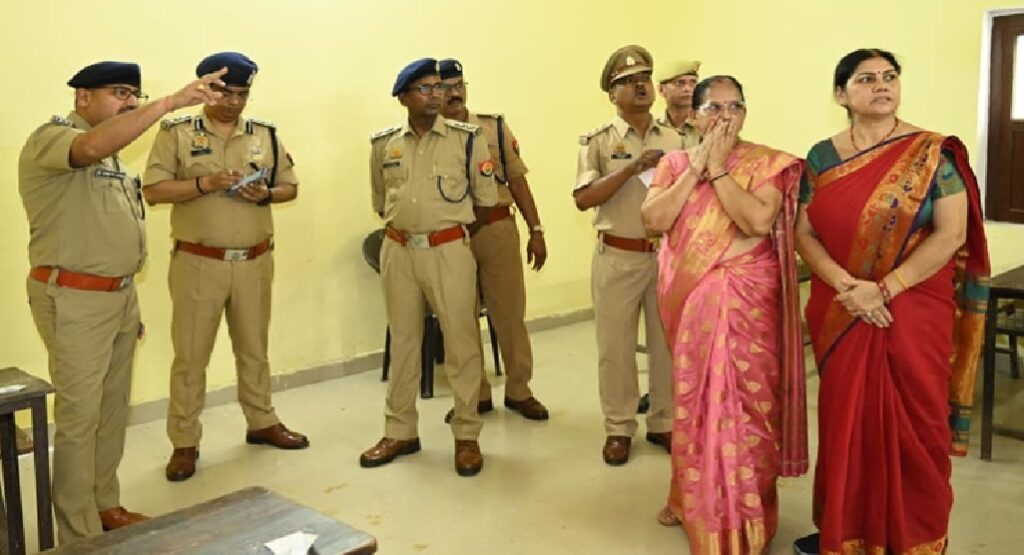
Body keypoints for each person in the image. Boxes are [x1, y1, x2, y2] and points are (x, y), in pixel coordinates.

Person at [19, 60, 225, 542]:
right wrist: (170, 103)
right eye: (119, 93)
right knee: (80, 418)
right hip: (73, 298)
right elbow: (89, 147)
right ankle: (78, 534)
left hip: (117, 298)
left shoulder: (113, 160)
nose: (130, 102)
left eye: (135, 94)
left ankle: (104, 505)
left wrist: (126, 299)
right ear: (83, 97)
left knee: (111, 412)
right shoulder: (54, 138)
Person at [793, 48, 990, 555]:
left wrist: (883, 289)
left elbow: (951, 234)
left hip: (911, 308)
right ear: (841, 94)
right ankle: (846, 531)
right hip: (841, 308)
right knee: (845, 422)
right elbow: (804, 232)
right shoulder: (821, 157)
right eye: (866, 79)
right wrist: (847, 286)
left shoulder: (934, 154)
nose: (882, 85)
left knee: (915, 422)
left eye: (890, 76)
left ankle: (914, 537)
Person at [641, 75, 808, 553]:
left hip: (749, 300)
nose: (726, 116)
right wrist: (697, 167)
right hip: (693, 299)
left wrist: (718, 171)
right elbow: (654, 220)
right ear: (693, 117)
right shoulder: (674, 164)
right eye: (713, 107)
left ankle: (748, 513)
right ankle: (691, 499)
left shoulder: (767, 163)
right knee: (697, 403)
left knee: (749, 405)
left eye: (735, 106)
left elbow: (757, 221)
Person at [144, 52, 309, 483]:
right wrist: (205, 183)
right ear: (205, 89)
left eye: (242, 94)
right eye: (225, 93)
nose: (234, 102)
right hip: (200, 263)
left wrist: (267, 194)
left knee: (254, 349)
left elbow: (290, 186)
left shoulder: (265, 134)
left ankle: (262, 421)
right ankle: (184, 441)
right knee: (191, 356)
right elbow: (154, 190)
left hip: (255, 261)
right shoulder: (176, 133)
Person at [361, 58, 499, 477]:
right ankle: (400, 431)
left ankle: (466, 435)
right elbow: (381, 200)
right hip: (398, 250)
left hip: (448, 249)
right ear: (404, 97)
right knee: (404, 342)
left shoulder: (468, 140)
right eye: (425, 88)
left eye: (439, 86)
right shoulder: (384, 145)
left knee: (461, 342)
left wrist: (444, 228)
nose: (436, 94)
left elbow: (485, 201)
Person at [573, 45, 682, 466]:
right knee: (615, 348)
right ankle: (618, 427)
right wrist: (632, 168)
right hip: (617, 256)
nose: (639, 86)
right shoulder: (597, 141)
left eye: (645, 79)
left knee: (665, 345)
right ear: (612, 94)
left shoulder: (675, 138)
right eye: (627, 81)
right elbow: (584, 198)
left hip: (665, 256)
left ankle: (663, 421)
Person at [437, 58, 549, 423]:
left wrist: (536, 230)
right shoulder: (430, 136)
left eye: (459, 85)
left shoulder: (493, 127)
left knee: (510, 314)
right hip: (453, 236)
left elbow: (517, 179)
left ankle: (519, 390)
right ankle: (475, 395)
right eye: (445, 87)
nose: (454, 93)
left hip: (497, 229)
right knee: (460, 319)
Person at [655, 60, 703, 147]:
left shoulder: (707, 125)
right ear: (661, 90)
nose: (687, 89)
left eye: (693, 83)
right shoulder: (653, 128)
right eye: (680, 83)